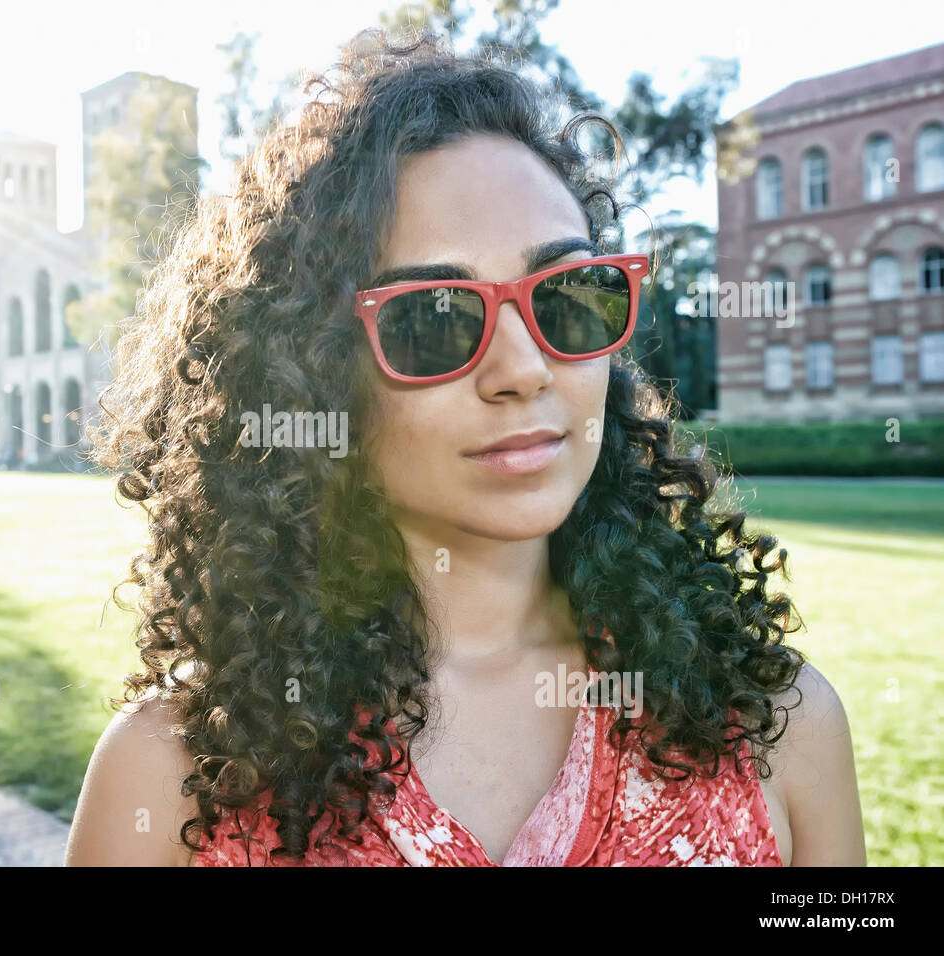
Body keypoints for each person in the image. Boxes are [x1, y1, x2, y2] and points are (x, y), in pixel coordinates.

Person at [65, 29, 864, 867]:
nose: (522, 369)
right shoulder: (171, 776)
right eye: (435, 316)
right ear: (312, 373)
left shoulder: (780, 726)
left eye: (567, 295)